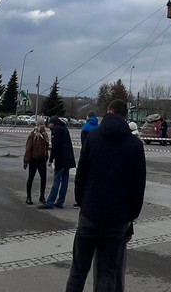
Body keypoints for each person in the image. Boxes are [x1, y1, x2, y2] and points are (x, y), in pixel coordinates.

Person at [65, 98, 145, 292]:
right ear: (125, 116)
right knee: (107, 273)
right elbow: (138, 186)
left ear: (109, 111)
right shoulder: (135, 145)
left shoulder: (93, 138)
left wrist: (83, 202)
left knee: (78, 270)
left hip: (90, 213)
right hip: (117, 218)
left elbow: (81, 175)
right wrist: (131, 215)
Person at [41, 116, 76, 209]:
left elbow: (55, 146)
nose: (48, 126)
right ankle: (60, 201)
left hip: (61, 159)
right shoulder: (65, 129)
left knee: (56, 180)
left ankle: (50, 202)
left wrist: (51, 159)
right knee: (64, 181)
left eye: (49, 124)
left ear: (53, 123)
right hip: (68, 159)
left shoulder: (56, 130)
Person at [24, 118, 50, 204]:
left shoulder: (45, 136)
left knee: (43, 178)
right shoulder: (33, 135)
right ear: (37, 125)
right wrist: (26, 160)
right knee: (31, 178)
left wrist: (46, 157)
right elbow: (28, 148)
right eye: (41, 124)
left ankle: (42, 196)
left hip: (42, 160)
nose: (42, 126)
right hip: (33, 159)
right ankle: (28, 197)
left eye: (43, 124)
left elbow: (46, 147)